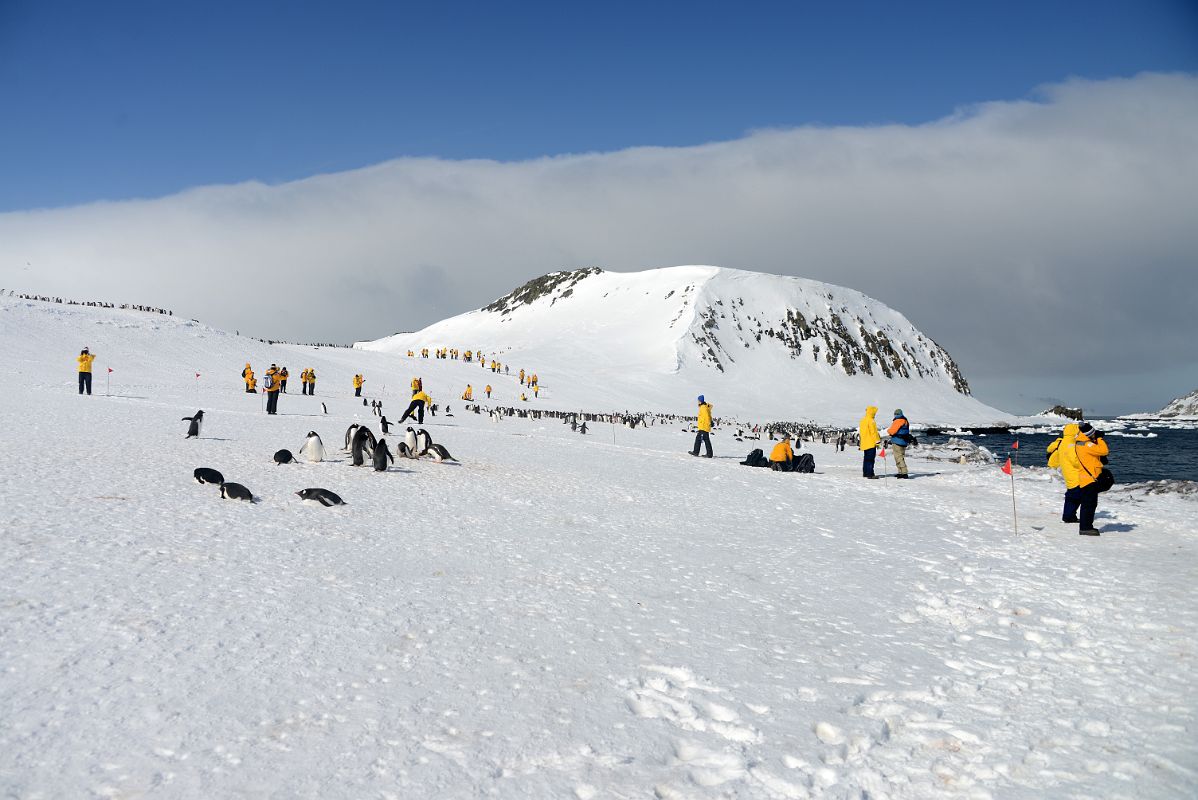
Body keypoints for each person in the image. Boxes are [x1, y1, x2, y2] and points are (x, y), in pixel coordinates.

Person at [1047, 422, 1110, 535]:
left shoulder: (1061, 443)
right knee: (1084, 499)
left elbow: (1054, 459)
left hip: (1067, 473)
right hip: (1077, 474)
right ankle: (1081, 523)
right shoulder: (1072, 444)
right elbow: (1077, 460)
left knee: (1071, 495)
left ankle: (1068, 516)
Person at [886, 409, 912, 478]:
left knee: (898, 457)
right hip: (903, 441)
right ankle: (900, 472)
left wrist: (888, 430)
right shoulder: (905, 420)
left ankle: (904, 473)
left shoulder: (898, 420)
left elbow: (892, 431)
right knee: (901, 457)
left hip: (897, 441)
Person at [859, 405, 880, 478]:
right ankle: (870, 474)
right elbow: (873, 432)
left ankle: (865, 473)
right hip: (871, 442)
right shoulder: (871, 420)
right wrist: (877, 441)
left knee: (866, 459)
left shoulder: (863, 420)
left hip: (864, 443)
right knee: (870, 459)